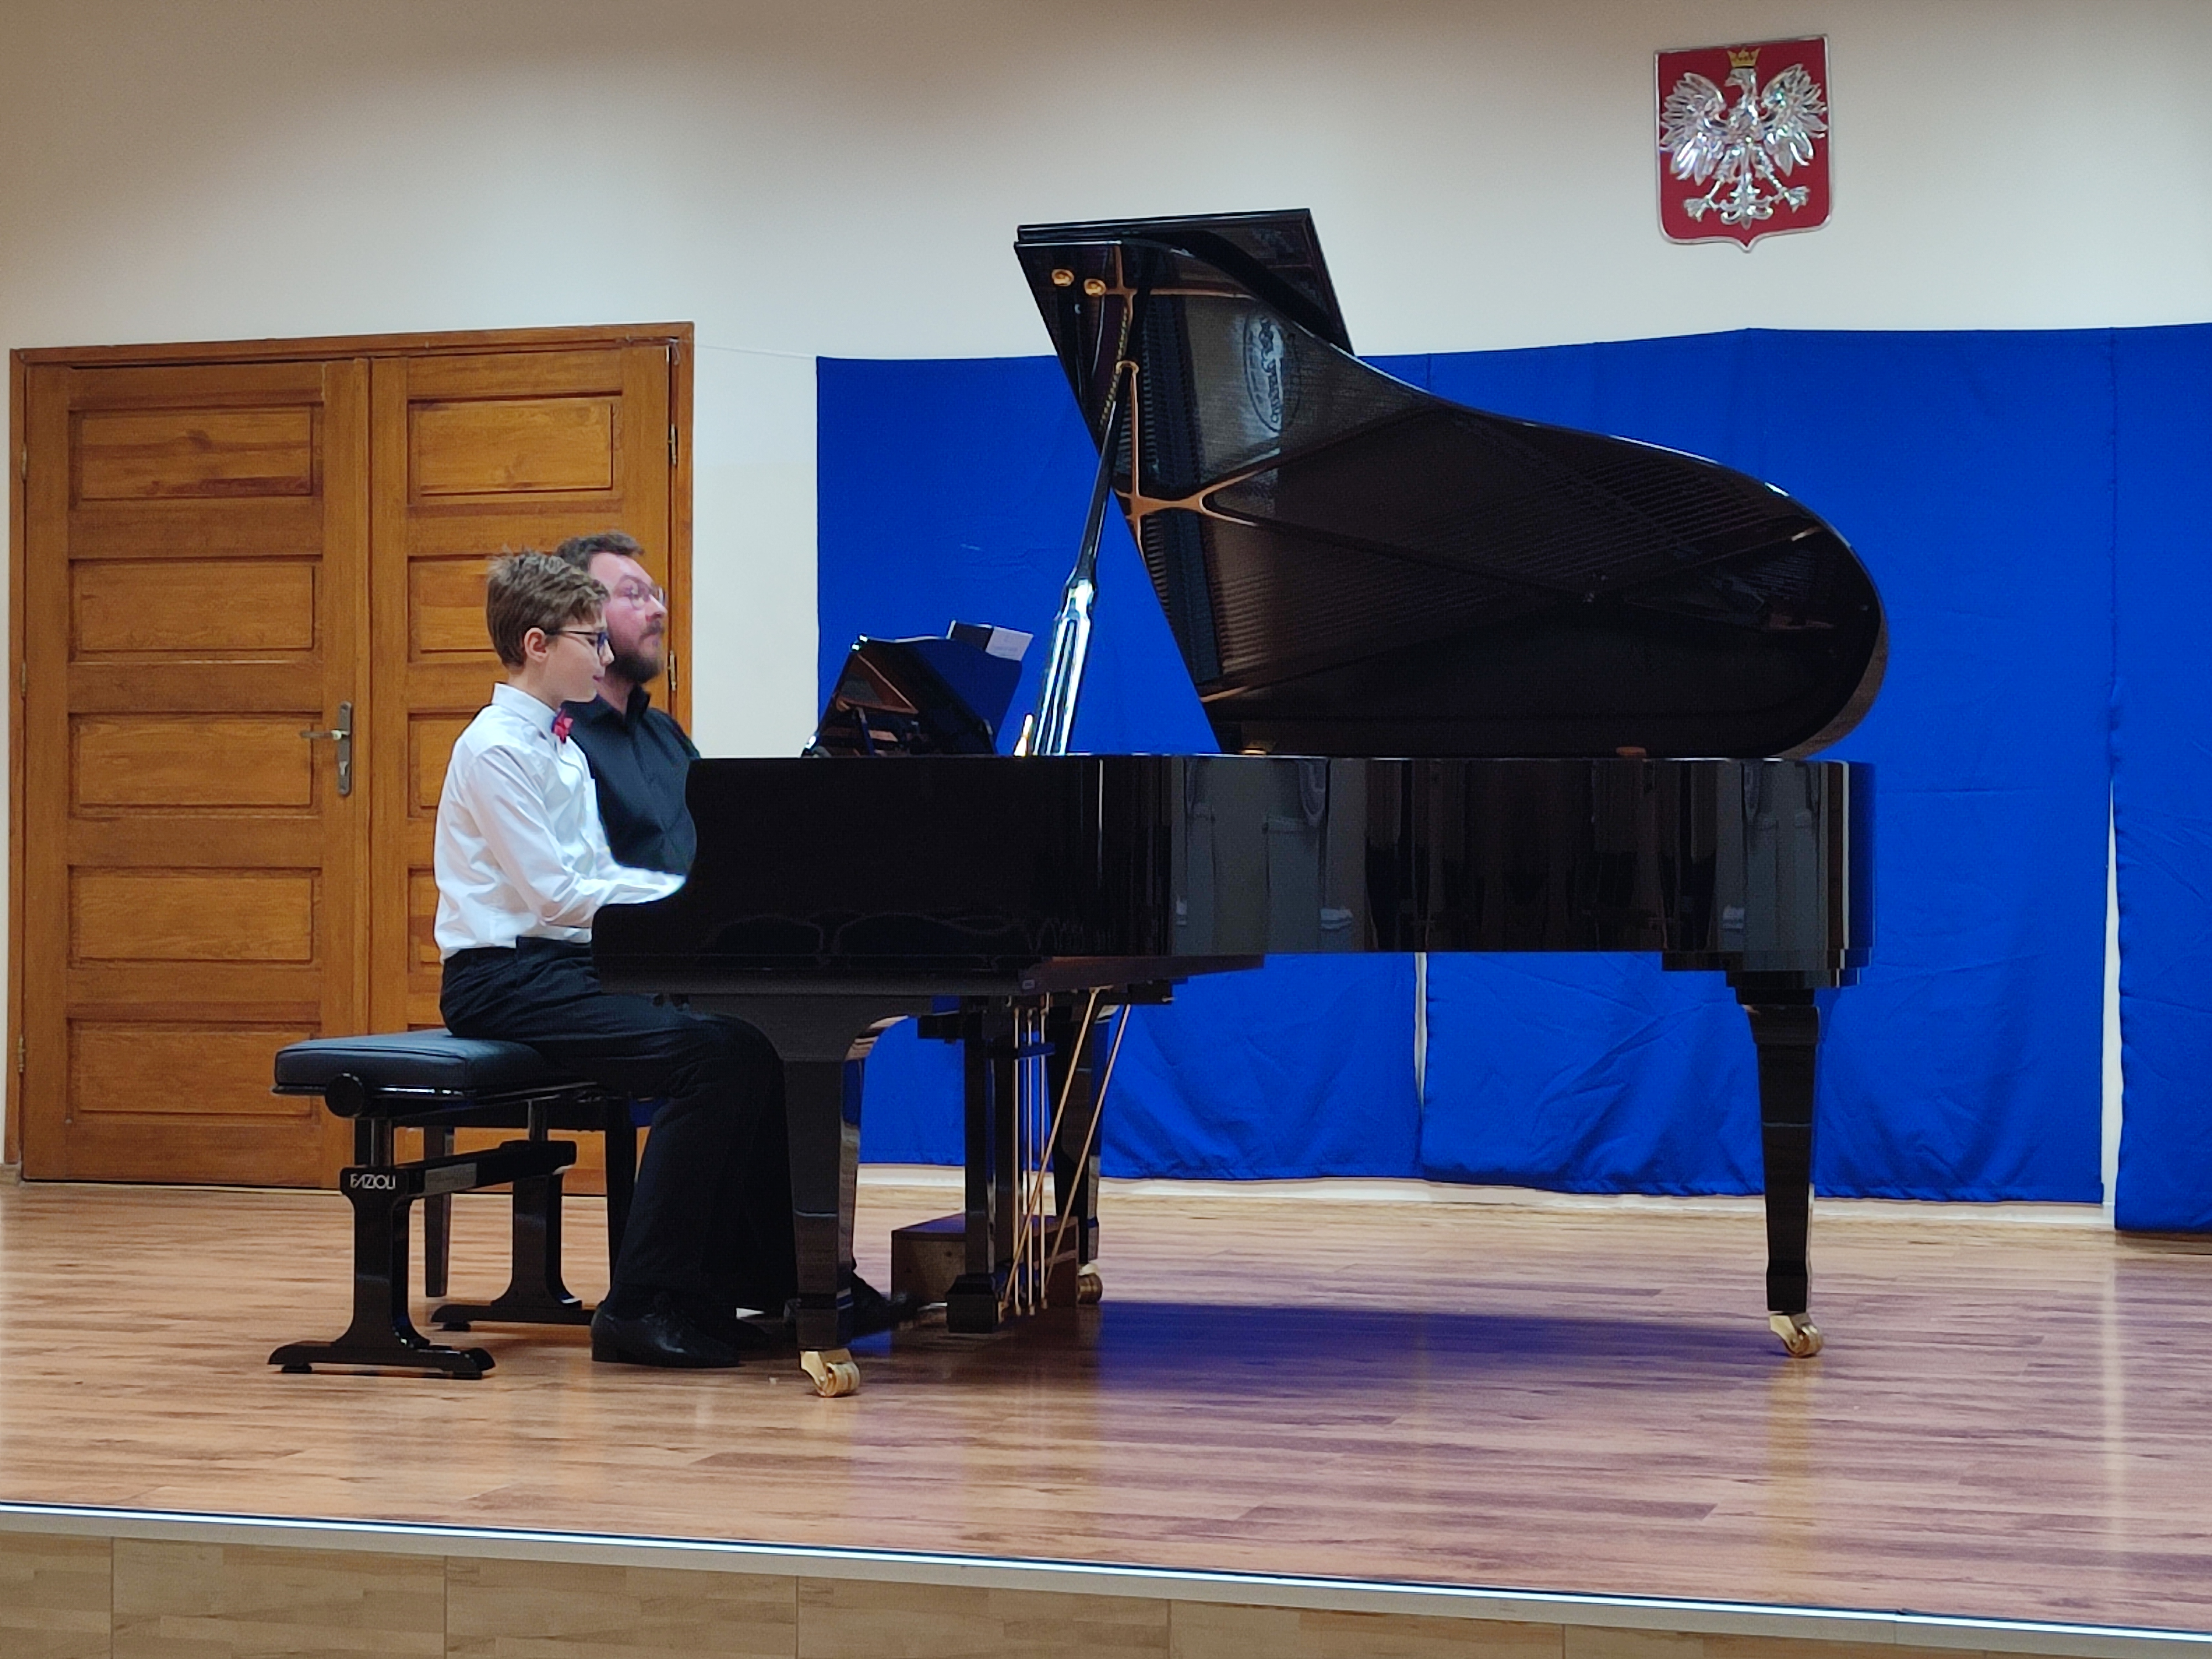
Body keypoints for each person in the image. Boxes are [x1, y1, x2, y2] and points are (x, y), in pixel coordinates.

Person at [433, 551, 793, 1368]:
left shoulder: (561, 746)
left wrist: (691, 896)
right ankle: (638, 1305)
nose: (604, 655)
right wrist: (685, 904)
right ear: (536, 644)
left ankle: (715, 1291)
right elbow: (556, 896)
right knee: (712, 1059)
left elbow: (595, 873)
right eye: (589, 640)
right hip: (504, 978)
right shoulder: (494, 750)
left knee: (752, 1042)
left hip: (565, 968)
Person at [551, 532, 697, 875]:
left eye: (656, 595)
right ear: (581, 615)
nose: (659, 610)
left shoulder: (665, 733)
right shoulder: (557, 742)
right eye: (634, 595)